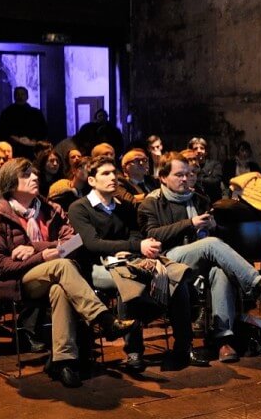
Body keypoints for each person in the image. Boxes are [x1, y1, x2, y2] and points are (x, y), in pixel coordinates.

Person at [0, 158, 135, 388]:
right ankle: (104, 319)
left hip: (56, 276)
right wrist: (41, 257)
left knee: (59, 289)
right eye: (26, 175)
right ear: (10, 183)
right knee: (61, 266)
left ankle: (64, 361)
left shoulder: (51, 209)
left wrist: (36, 247)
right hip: (17, 281)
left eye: (35, 173)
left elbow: (74, 242)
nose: (35, 178)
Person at [68, 157, 209, 372]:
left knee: (176, 275)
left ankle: (183, 346)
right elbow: (93, 243)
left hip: (129, 260)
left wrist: (134, 248)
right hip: (96, 266)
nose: (113, 177)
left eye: (114, 173)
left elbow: (136, 234)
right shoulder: (80, 208)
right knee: (128, 279)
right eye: (105, 174)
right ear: (91, 181)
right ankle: (134, 351)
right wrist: (133, 247)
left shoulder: (123, 208)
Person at [140, 153, 261, 364]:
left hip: (202, 259)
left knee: (219, 272)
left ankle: (224, 340)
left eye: (188, 174)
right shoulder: (152, 203)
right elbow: (153, 235)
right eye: (179, 175)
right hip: (169, 259)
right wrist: (191, 223)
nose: (185, 179)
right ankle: (259, 286)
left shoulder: (199, 199)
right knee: (209, 245)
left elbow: (221, 240)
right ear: (163, 177)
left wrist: (215, 227)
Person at [0, 87, 48, 159]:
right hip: (13, 151)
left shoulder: (36, 113)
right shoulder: (7, 113)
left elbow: (44, 132)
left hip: (32, 151)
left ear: (27, 96)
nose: (20, 97)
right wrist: (14, 139)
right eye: (17, 94)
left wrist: (32, 141)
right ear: (14, 96)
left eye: (22, 94)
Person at [188, 137, 225, 202]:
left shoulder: (215, 164)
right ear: (191, 151)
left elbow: (215, 182)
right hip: (195, 201)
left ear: (206, 152)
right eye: (195, 148)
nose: (199, 151)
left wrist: (198, 175)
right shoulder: (187, 166)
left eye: (202, 148)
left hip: (214, 201)